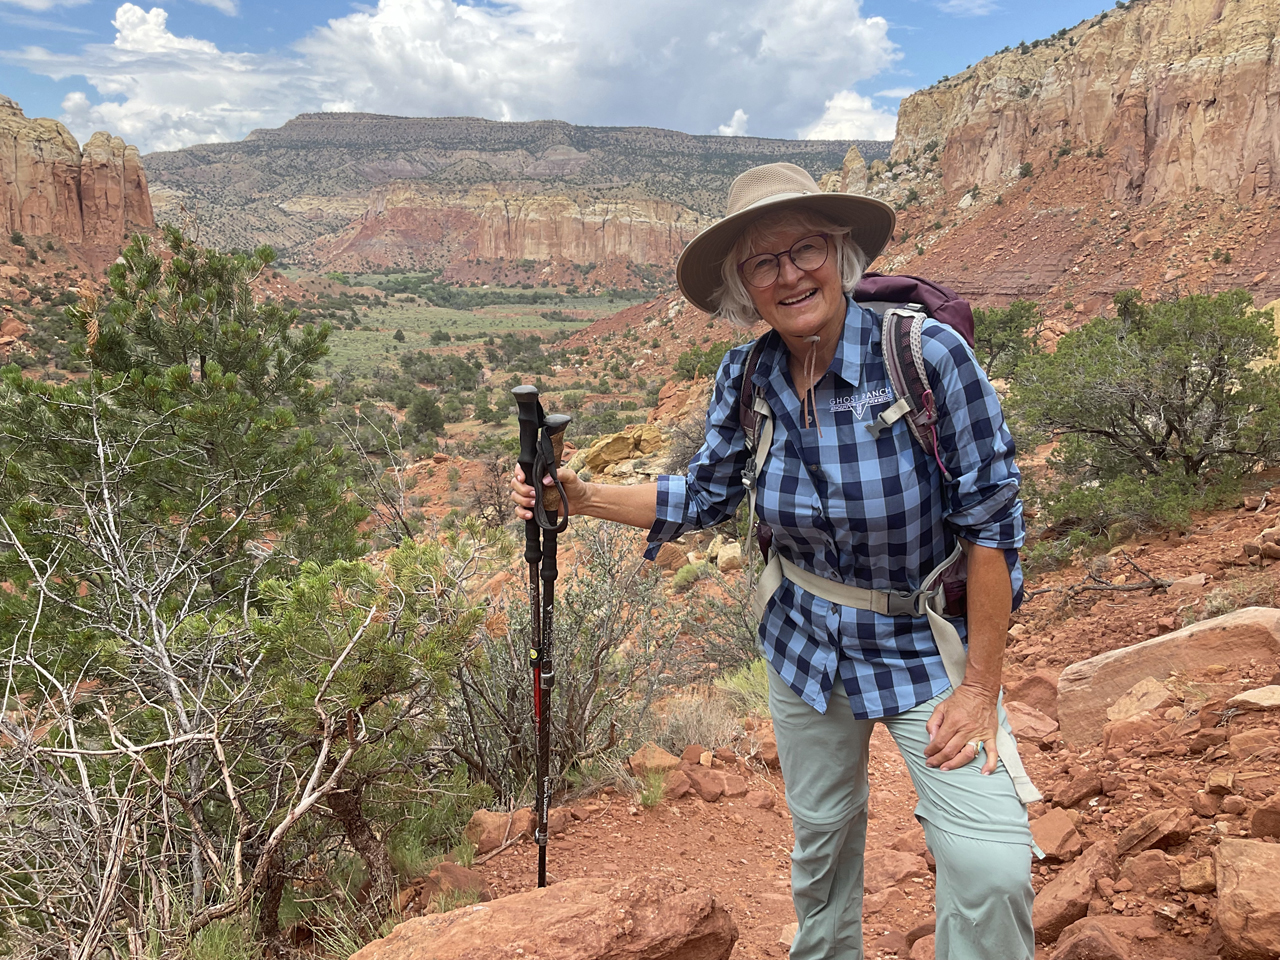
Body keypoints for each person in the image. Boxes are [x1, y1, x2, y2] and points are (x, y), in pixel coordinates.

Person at [511, 162, 1035, 960]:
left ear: (840, 252)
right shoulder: (749, 376)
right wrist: (578, 499)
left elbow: (992, 525)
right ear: (744, 286)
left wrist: (981, 689)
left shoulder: (926, 357)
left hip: (928, 649)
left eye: (805, 249)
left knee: (990, 870)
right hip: (803, 648)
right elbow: (706, 494)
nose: (789, 274)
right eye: (764, 261)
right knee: (822, 846)